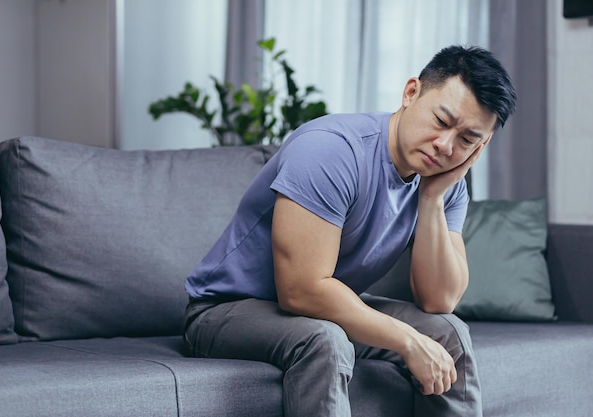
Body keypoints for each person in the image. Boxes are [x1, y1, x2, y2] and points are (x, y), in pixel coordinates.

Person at [183, 45, 516, 417]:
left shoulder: (443, 181)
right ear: (411, 93)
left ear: (481, 146)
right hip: (225, 311)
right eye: (441, 121)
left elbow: (439, 301)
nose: (445, 145)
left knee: (447, 333)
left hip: (319, 311)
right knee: (325, 339)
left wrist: (433, 199)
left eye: (467, 140)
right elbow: (300, 290)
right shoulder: (331, 150)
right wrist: (406, 340)